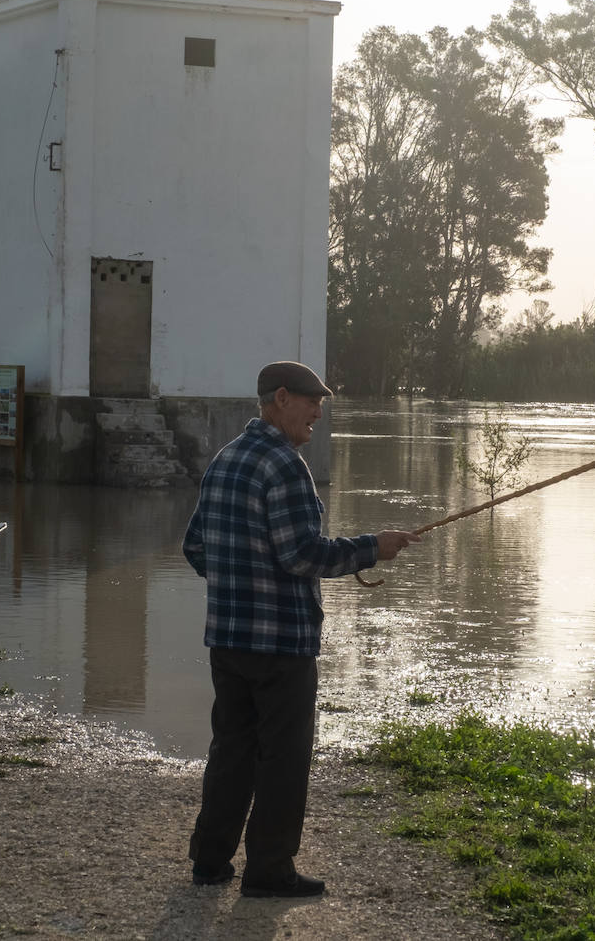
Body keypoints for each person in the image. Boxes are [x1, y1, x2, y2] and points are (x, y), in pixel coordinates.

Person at [182, 360, 422, 898]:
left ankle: (209, 861)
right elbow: (302, 554)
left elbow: (195, 547)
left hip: (227, 640)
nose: (318, 411)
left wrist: (237, 584)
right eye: (312, 401)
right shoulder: (285, 464)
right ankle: (269, 871)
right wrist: (372, 548)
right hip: (282, 646)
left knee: (232, 750)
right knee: (283, 760)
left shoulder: (225, 458)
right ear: (281, 398)